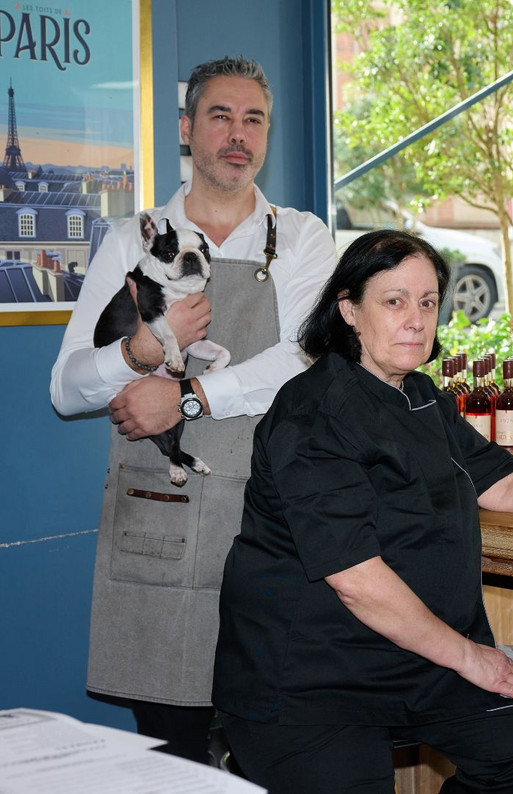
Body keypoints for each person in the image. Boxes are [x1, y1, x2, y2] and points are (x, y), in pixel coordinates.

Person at [49, 56, 337, 763]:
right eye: (219, 116)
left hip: (270, 526)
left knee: (275, 751)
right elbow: (67, 389)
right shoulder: (130, 241)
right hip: (160, 523)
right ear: (186, 129)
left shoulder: (301, 239)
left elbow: (307, 361)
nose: (237, 135)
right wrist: (142, 352)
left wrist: (184, 394)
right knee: (174, 760)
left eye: (253, 120)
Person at [212, 230, 513, 793]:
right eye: (394, 301)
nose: (416, 319)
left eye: (427, 302)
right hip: (313, 686)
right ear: (349, 310)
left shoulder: (419, 395)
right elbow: (358, 581)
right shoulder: (312, 412)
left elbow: (502, 484)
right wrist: (472, 657)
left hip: (418, 659)